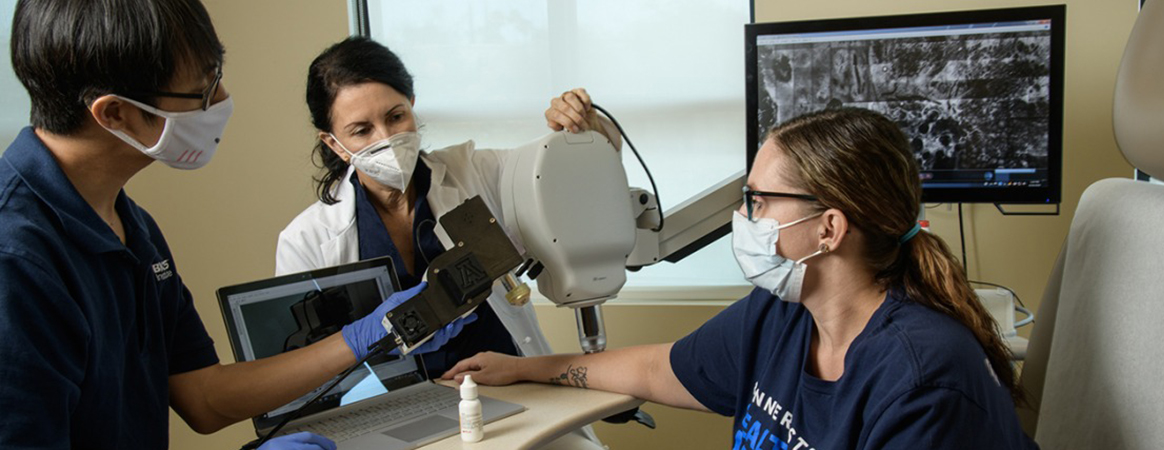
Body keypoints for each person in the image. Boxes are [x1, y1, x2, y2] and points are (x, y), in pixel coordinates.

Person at [441, 108, 1040, 449]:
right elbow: (655, 368)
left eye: (758, 201)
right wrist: (524, 367)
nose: (743, 219)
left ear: (828, 228)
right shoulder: (782, 314)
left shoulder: (922, 380)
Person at [0, 1, 424, 448]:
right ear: (115, 114)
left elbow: (203, 396)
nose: (221, 102)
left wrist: (367, 336)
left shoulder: (129, 224)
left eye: (216, 77)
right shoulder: (18, 260)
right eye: (202, 92)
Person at [275, 36, 618, 447]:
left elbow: (568, 174)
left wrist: (590, 130)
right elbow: (306, 372)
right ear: (333, 143)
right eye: (361, 130)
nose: (386, 137)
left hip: (513, 395)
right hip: (391, 414)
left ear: (413, 106)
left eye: (396, 116)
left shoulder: (472, 173)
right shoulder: (307, 239)